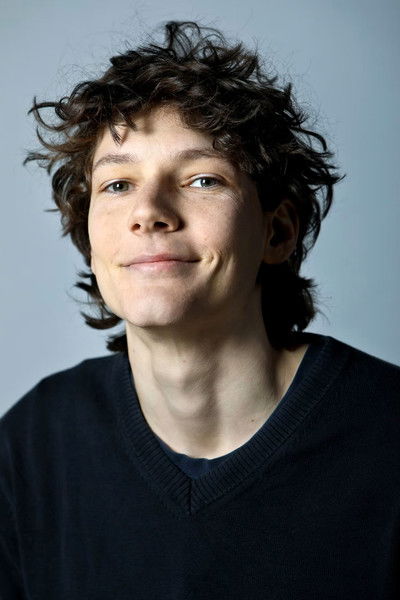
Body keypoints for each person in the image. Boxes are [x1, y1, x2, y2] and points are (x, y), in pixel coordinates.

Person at [0, 21, 399, 599]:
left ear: (278, 232)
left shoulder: (388, 436)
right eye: (117, 185)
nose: (149, 212)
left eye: (202, 179)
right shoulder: (34, 444)